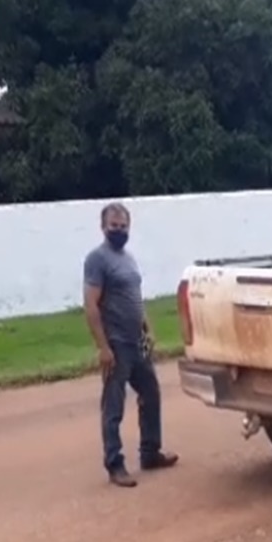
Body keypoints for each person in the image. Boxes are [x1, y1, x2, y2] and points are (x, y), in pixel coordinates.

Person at [83, 202, 178, 487]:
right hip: (116, 344)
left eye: (123, 226)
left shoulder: (129, 258)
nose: (119, 230)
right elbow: (90, 305)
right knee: (113, 406)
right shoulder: (96, 260)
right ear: (103, 227)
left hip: (136, 342)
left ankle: (150, 452)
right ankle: (115, 464)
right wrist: (103, 347)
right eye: (114, 226)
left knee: (151, 393)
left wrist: (147, 327)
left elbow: (136, 297)